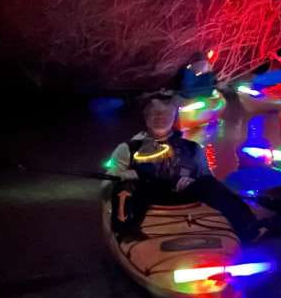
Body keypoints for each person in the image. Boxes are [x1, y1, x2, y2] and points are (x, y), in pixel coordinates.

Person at [107, 90, 265, 242]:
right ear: (146, 118)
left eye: (166, 113)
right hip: (147, 193)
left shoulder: (192, 148)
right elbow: (107, 183)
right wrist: (120, 174)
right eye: (155, 113)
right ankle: (126, 231)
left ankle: (248, 227)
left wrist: (192, 181)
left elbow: (206, 176)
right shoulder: (129, 148)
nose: (160, 117)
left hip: (184, 194)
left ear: (173, 117)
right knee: (124, 187)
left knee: (209, 184)